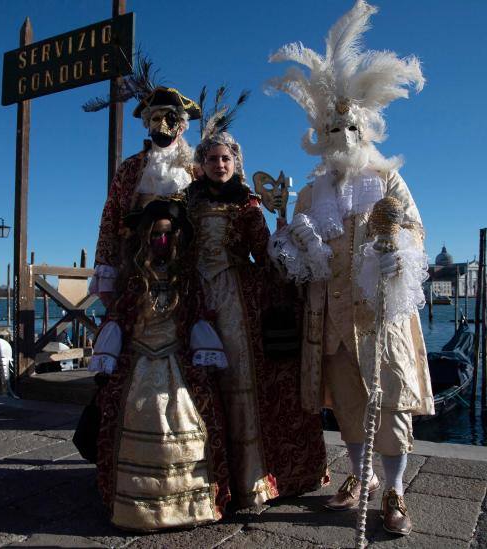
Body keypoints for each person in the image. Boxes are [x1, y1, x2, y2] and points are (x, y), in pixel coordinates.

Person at [266, 0, 433, 535]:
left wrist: (394, 256)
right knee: (350, 409)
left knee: (392, 406)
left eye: (351, 129)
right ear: (321, 133)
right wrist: (289, 246)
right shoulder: (310, 192)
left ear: (367, 129)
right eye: (333, 130)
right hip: (330, 320)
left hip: (378, 315)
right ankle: (359, 478)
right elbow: (296, 257)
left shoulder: (386, 181)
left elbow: (414, 233)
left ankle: (395, 491)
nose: (343, 138)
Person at [185, 110, 328, 508]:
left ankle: (248, 479)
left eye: (226, 159)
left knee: (238, 379)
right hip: (194, 295)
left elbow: (263, 256)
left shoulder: (247, 204)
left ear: (236, 164)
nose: (219, 165)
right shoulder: (188, 203)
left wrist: (282, 243)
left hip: (235, 299)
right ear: (202, 164)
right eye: (212, 159)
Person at [90, 199, 231, 531]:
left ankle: (189, 503)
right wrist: (106, 361)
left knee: (192, 420)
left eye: (167, 235)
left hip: (178, 362)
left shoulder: (186, 279)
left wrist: (204, 354)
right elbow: (120, 318)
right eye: (155, 235)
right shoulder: (135, 278)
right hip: (138, 361)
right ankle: (134, 507)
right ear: (145, 237)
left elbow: (196, 315)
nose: (161, 242)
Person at [91, 84, 200, 312]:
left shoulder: (195, 170)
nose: (162, 125)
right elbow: (110, 218)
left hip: (185, 266)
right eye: (155, 118)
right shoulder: (130, 168)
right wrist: (106, 270)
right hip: (135, 264)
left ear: (181, 126)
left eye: (170, 119)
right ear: (147, 123)